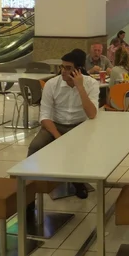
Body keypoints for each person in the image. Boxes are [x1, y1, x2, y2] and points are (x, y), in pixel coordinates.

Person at [27, 50, 99, 206]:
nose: (63, 71)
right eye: (62, 67)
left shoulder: (91, 84)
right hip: (55, 125)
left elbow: (92, 114)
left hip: (80, 124)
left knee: (78, 149)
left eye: (68, 68)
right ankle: (29, 194)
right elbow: (45, 116)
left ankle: (76, 180)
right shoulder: (52, 84)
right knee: (35, 146)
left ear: (78, 70)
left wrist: (80, 88)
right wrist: (58, 137)